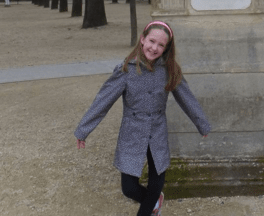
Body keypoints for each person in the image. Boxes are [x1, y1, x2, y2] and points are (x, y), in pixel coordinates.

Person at [74, 20, 211, 216]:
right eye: (152, 41)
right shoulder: (126, 70)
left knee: (156, 184)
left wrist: (201, 124)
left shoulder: (170, 70)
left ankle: (152, 203)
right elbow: (102, 101)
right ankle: (155, 201)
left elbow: (186, 98)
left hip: (157, 131)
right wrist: (83, 130)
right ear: (142, 39)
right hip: (132, 132)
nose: (154, 48)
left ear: (166, 48)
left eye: (161, 45)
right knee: (129, 188)